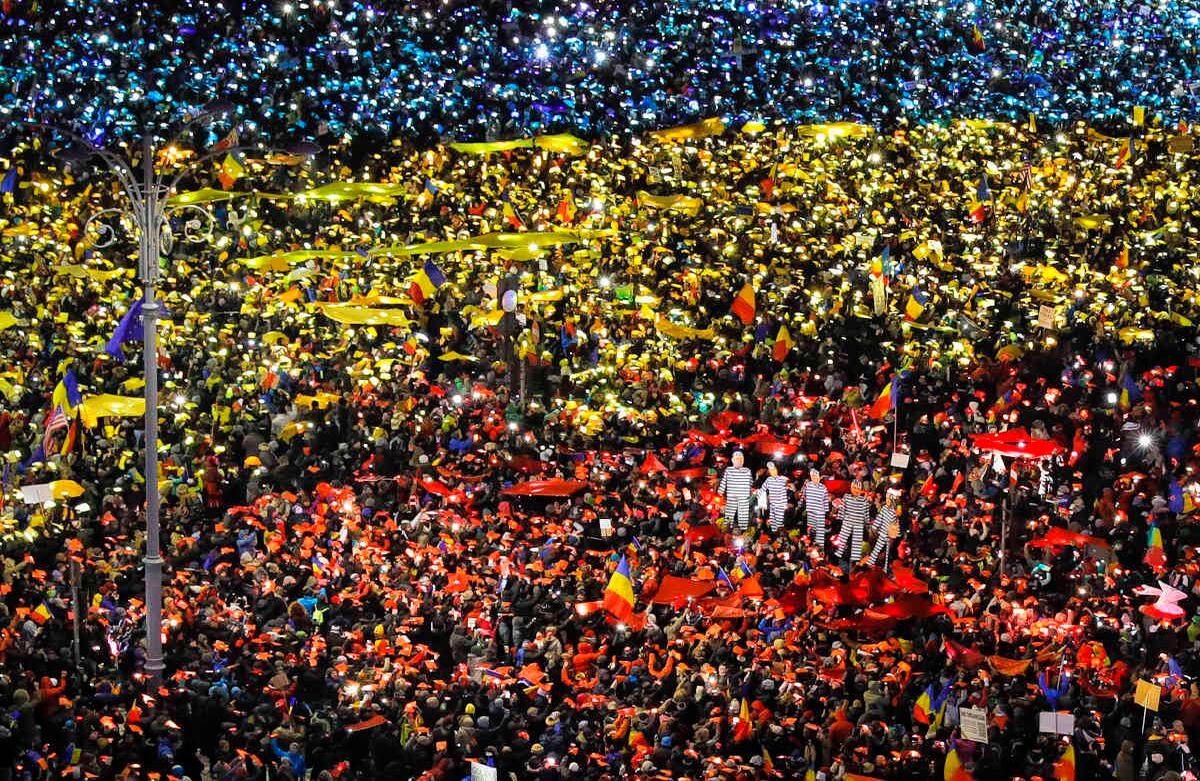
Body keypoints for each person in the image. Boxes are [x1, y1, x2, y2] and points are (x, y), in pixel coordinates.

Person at [833, 479, 871, 566]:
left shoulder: (864, 500)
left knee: (856, 547)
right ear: (851, 488)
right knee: (841, 543)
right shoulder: (846, 497)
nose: (856, 490)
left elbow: (866, 514)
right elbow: (842, 510)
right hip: (847, 523)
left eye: (858, 488)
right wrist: (839, 518)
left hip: (858, 525)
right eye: (854, 488)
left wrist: (867, 522)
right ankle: (837, 559)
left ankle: (854, 563)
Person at [718, 450, 754, 532]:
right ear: (733, 460)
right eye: (737, 459)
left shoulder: (747, 470)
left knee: (743, 511)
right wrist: (721, 490)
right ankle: (728, 527)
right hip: (732, 494)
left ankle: (743, 528)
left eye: (741, 459)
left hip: (743, 495)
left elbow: (750, 482)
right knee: (730, 511)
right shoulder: (729, 470)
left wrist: (750, 490)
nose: (739, 461)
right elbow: (724, 481)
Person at [801, 468, 830, 553]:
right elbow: (803, 496)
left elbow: (825, 501)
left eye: (816, 476)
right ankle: (810, 547)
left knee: (819, 532)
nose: (815, 478)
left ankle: (820, 550)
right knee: (811, 530)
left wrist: (826, 513)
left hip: (820, 512)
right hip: (810, 511)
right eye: (813, 477)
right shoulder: (807, 485)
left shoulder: (823, 488)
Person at [758, 461, 790, 534]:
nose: (773, 471)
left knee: (780, 523)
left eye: (774, 469)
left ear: (777, 469)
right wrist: (756, 493)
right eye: (771, 470)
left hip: (781, 505)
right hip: (772, 505)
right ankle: (774, 535)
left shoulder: (783, 479)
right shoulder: (768, 480)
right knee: (773, 524)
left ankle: (781, 534)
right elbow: (762, 489)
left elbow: (790, 488)